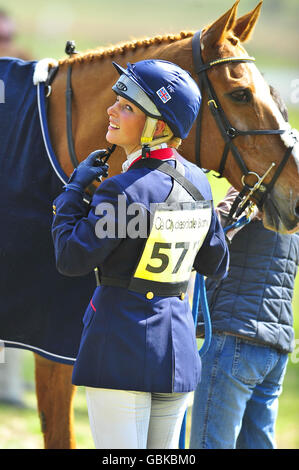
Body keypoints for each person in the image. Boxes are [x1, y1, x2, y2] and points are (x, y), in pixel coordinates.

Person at [51, 59, 229, 449]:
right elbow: (216, 262)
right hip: (177, 354)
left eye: (127, 106)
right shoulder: (199, 183)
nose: (111, 110)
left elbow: (70, 257)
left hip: (120, 349)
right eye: (117, 99)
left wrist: (70, 194)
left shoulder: (121, 190)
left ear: (159, 127)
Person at [189, 186, 299, 449]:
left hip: (235, 337)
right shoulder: (292, 203)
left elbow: (208, 234)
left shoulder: (253, 188)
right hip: (277, 344)